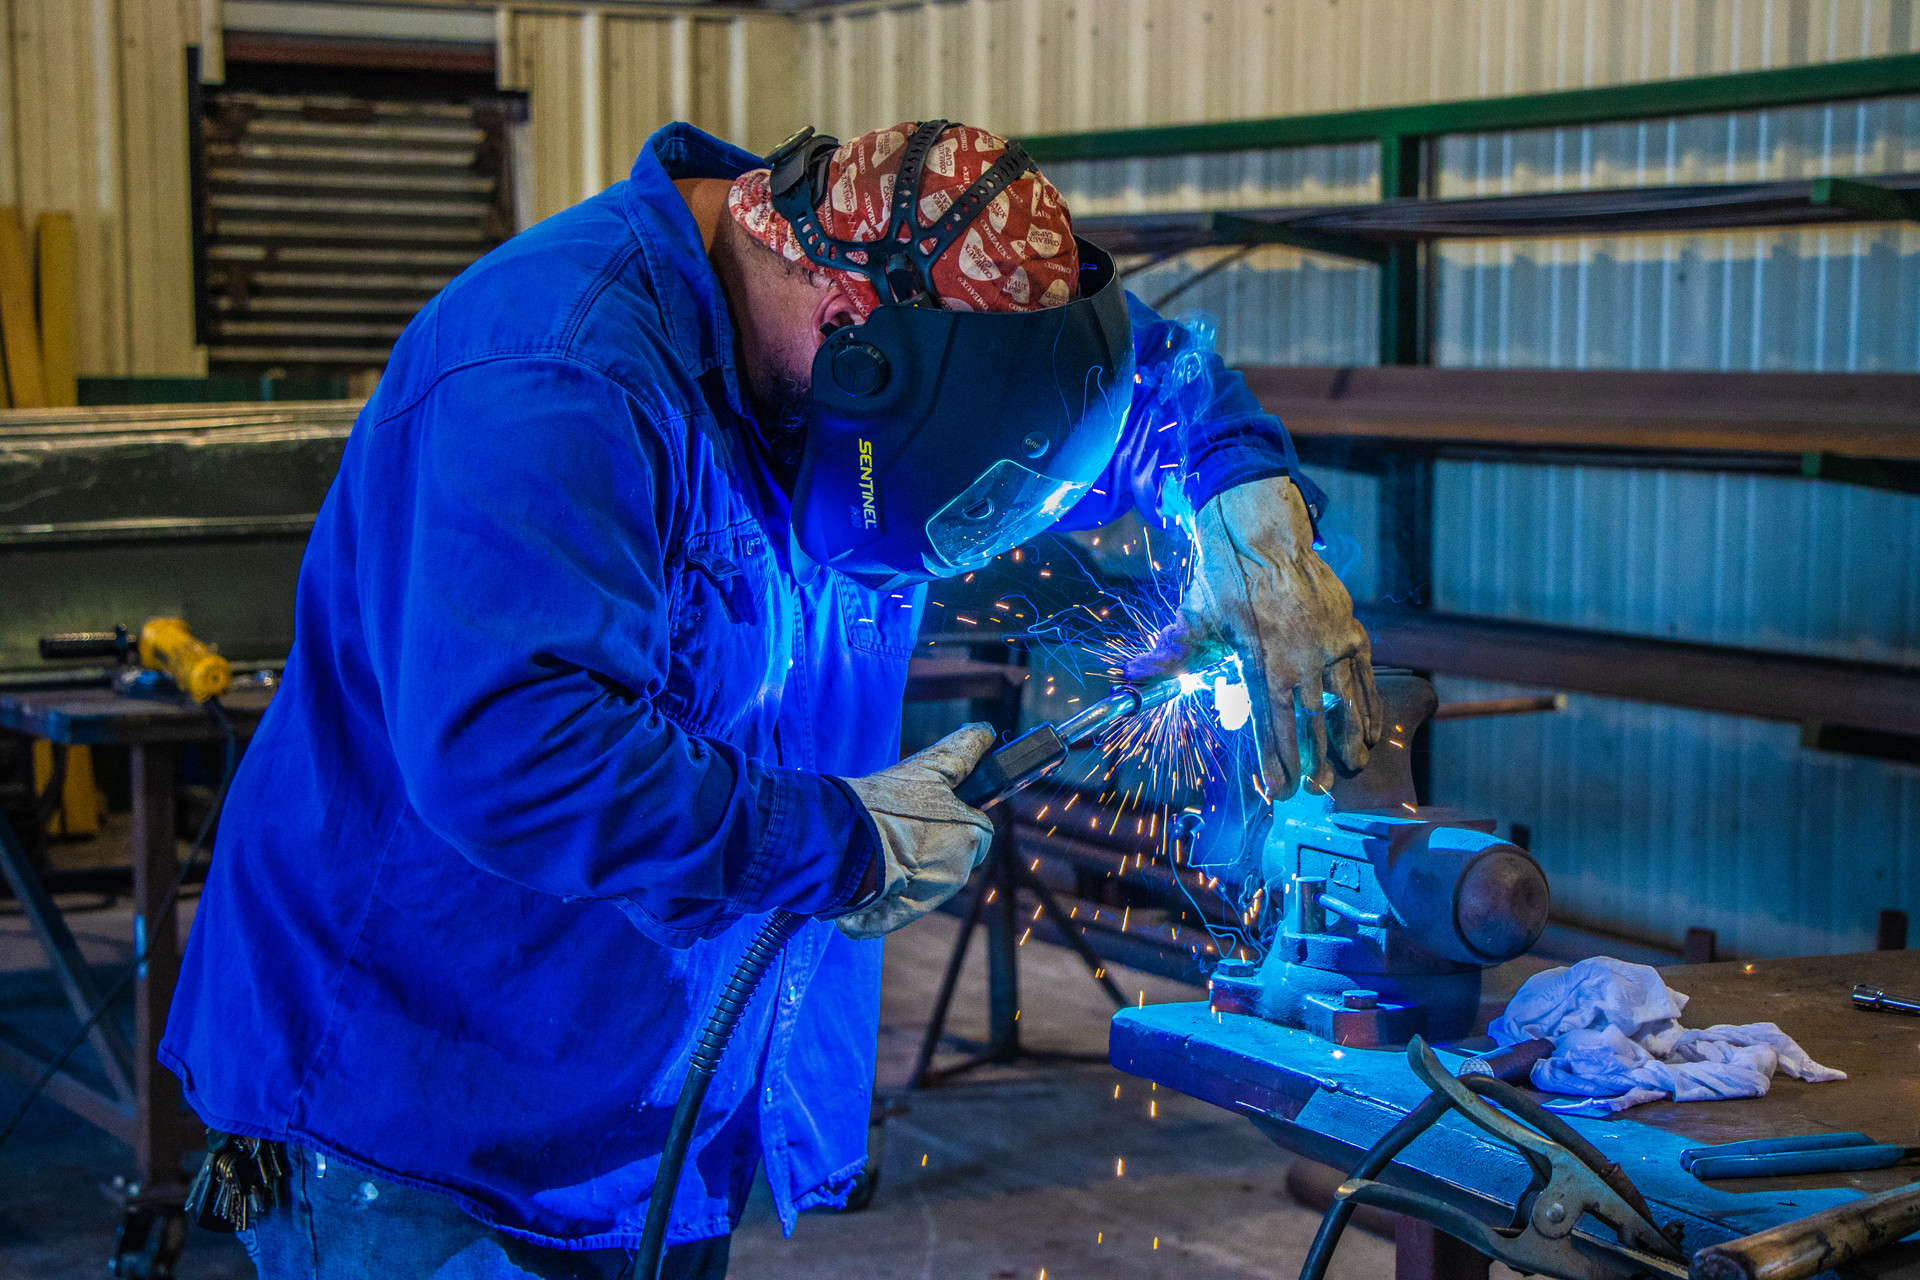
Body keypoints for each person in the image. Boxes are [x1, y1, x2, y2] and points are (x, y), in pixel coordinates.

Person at [160, 119, 1381, 1279]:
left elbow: (1120, 375)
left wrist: (1246, 497)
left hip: (659, 1104)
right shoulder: (553, 374)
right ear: (854, 332)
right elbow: (513, 746)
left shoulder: (889, 317)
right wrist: (837, 838)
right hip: (426, 1104)